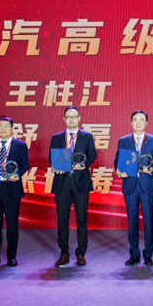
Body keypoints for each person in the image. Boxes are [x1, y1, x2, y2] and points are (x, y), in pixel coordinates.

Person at [113, 110, 153, 267]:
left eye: (141, 120)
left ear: (146, 123)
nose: (138, 122)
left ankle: (148, 255)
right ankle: (134, 254)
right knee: (132, 221)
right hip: (130, 185)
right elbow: (117, 161)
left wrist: (152, 170)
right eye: (135, 120)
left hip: (148, 186)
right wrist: (120, 171)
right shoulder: (123, 141)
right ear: (131, 122)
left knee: (148, 222)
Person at [49, 106, 98, 267]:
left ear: (79, 118)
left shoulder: (87, 136)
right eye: (68, 116)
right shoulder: (56, 137)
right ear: (64, 118)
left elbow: (92, 155)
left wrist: (83, 164)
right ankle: (64, 253)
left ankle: (81, 253)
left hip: (80, 181)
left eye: (74, 116)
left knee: (82, 219)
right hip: (62, 182)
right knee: (62, 220)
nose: (71, 119)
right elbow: (52, 157)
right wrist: (55, 166)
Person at [0, 115, 29, 267]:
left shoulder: (20, 145)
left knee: (12, 225)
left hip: (12, 189)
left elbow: (25, 164)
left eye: (6, 126)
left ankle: (11, 257)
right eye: (0, 126)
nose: (3, 129)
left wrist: (18, 175)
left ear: (12, 128)